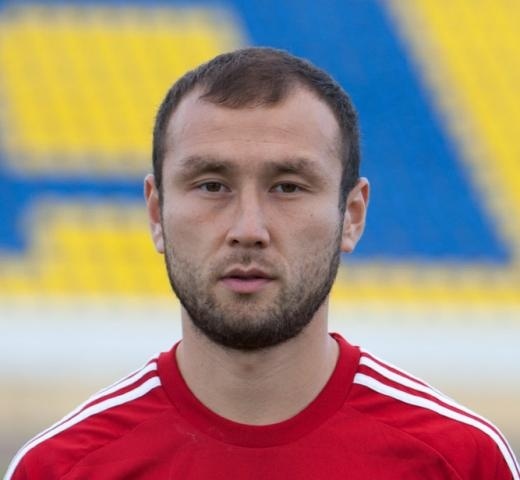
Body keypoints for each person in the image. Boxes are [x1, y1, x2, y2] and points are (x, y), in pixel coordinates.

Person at [5, 47, 519, 480]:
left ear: (352, 216)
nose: (248, 228)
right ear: (157, 212)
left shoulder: (463, 462)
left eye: (288, 187)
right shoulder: (59, 469)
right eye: (212, 185)